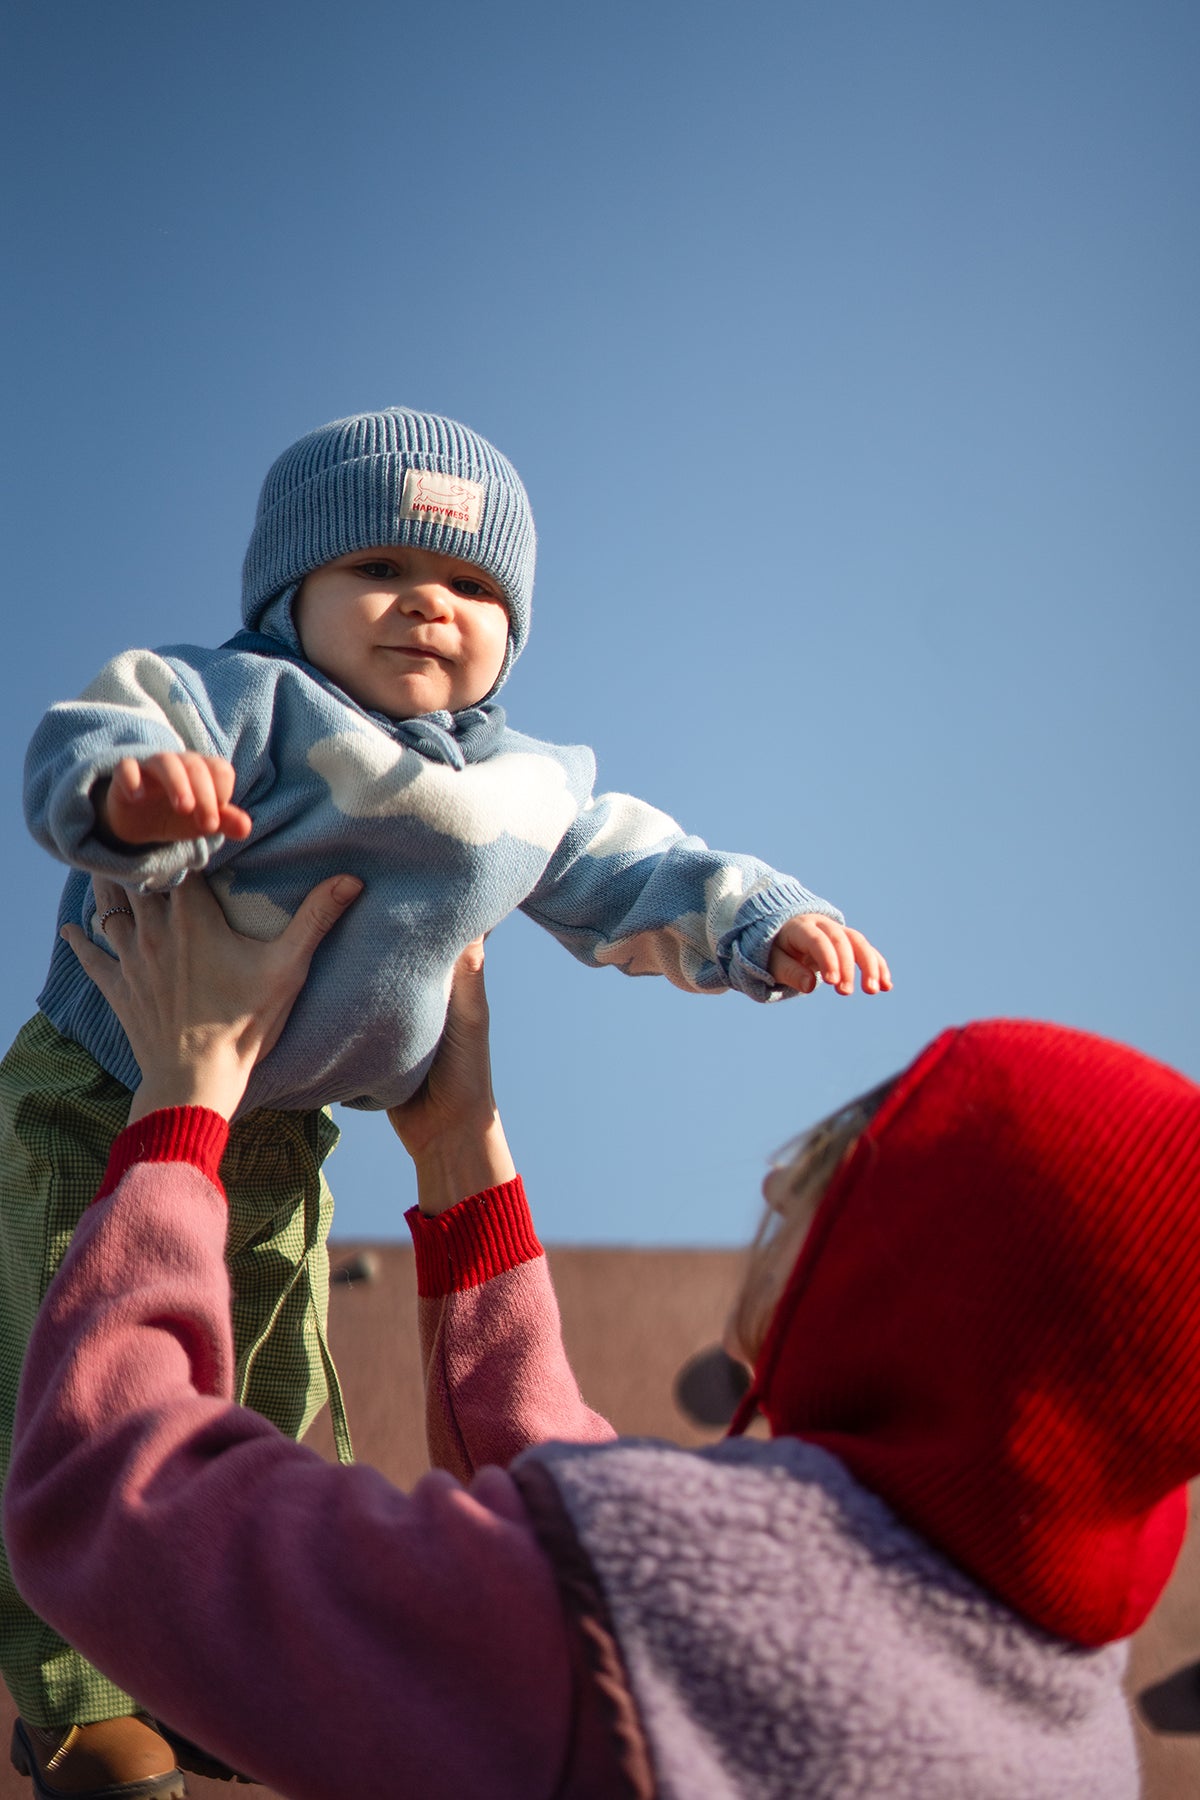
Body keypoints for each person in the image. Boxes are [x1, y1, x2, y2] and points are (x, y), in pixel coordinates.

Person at [3, 406, 892, 1778]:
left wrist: (761, 922)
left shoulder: (530, 784)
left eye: (473, 585)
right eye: (377, 571)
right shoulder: (251, 703)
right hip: (106, 1092)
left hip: (277, 1135)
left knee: (282, 1378)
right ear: (287, 598)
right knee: (60, 1358)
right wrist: (135, 793)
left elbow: (641, 869)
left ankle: (222, 1647)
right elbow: (99, 726)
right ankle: (77, 1703)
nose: (429, 601)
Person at [7, 877, 1199, 1799]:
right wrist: (462, 1148)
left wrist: (183, 1099)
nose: (779, 1192)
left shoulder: (684, 1609)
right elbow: (601, 1540)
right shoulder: (1074, 1731)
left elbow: (124, 1508)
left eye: (839, 1170)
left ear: (942, 1285)